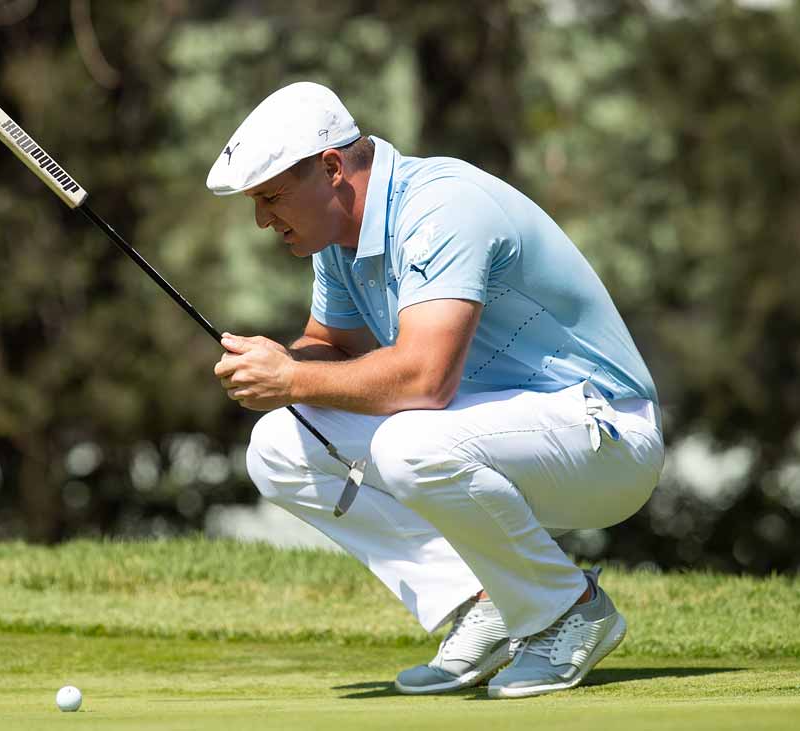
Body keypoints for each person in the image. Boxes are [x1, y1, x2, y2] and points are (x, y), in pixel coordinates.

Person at [207, 82, 663, 699]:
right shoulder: (339, 241)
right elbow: (330, 348)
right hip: (491, 433)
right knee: (280, 446)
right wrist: (277, 363)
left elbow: (425, 380)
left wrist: (290, 377)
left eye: (271, 197)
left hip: (606, 437)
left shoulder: (442, 206)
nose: (263, 219)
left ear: (332, 168)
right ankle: (486, 601)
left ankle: (569, 608)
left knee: (408, 442)